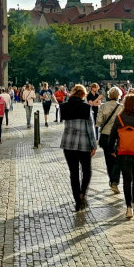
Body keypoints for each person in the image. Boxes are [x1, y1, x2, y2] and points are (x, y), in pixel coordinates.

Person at [60, 84, 97, 212]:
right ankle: (82, 193)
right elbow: (91, 128)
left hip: (68, 144)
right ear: (83, 95)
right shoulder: (86, 108)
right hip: (83, 144)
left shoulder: (64, 107)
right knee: (87, 170)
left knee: (74, 173)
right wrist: (94, 145)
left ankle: (77, 200)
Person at [96, 87, 125, 193]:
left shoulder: (103, 106)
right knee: (118, 159)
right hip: (118, 136)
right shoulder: (122, 107)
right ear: (119, 95)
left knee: (108, 160)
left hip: (105, 135)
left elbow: (98, 122)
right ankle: (115, 182)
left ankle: (111, 180)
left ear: (109, 95)